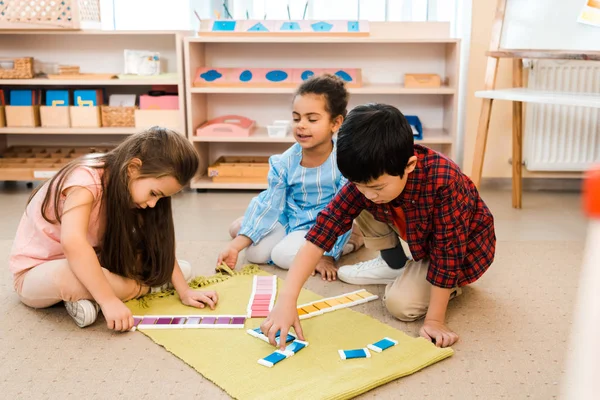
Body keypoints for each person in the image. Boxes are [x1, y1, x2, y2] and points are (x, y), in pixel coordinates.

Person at [261, 103, 496, 348]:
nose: (368, 194)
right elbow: (323, 231)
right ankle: (392, 264)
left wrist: (435, 320)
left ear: (410, 166)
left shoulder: (444, 182)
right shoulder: (368, 182)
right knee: (356, 202)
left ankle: (450, 287)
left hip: (462, 252)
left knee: (400, 305)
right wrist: (286, 301)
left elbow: (448, 253)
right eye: (360, 185)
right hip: (416, 230)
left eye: (376, 187)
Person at [9, 127, 218, 331]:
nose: (154, 204)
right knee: (68, 276)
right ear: (132, 168)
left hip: (93, 260)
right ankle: (147, 287)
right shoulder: (85, 182)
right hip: (36, 273)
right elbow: (74, 244)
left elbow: (157, 241)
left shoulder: (130, 186)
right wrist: (109, 301)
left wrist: (184, 290)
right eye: (154, 193)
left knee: (148, 257)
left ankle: (93, 297)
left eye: (162, 197)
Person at [218, 74, 363, 280]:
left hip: (322, 226)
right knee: (255, 253)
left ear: (336, 123)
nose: (301, 125)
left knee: (281, 255)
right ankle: (254, 227)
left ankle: (351, 241)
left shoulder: (343, 162)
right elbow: (270, 204)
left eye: (312, 119)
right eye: (296, 118)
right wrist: (235, 246)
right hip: (289, 217)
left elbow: (342, 213)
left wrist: (326, 255)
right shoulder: (284, 162)